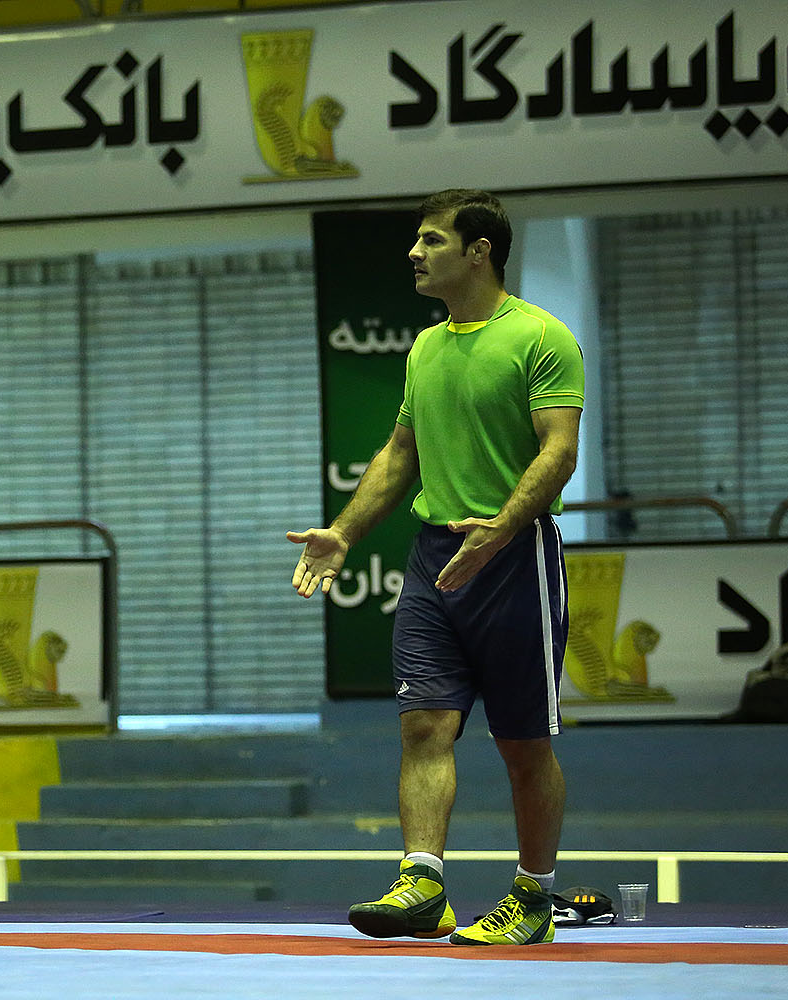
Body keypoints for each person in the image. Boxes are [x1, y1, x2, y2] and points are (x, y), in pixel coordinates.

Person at [288, 189, 582, 946]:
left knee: (523, 745)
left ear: (479, 252)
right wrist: (344, 532)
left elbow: (559, 451)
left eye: (431, 240)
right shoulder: (424, 347)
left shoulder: (542, 337)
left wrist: (502, 528)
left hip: (514, 557)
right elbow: (400, 453)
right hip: (432, 560)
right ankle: (423, 884)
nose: (413, 253)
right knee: (423, 724)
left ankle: (534, 900)